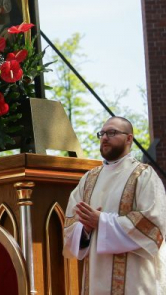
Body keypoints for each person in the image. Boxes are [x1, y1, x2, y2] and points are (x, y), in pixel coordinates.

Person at [63, 116, 166, 294]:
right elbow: (70, 225)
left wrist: (101, 221)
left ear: (129, 139)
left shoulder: (143, 175)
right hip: (95, 280)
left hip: (135, 281)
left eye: (112, 132)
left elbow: (153, 226)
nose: (104, 137)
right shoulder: (88, 180)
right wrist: (85, 230)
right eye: (101, 133)